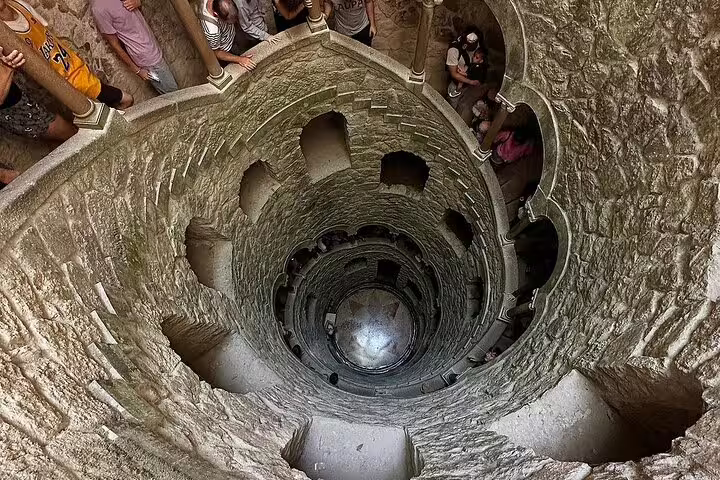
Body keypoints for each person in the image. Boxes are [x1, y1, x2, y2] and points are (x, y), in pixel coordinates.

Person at [0, 0, 133, 109]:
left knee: (111, 107)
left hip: (75, 65)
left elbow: (46, 31)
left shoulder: (19, 5)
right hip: (68, 82)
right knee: (126, 99)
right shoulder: (5, 39)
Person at [90, 0, 178, 95]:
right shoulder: (98, 9)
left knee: (173, 92)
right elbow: (115, 45)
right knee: (174, 94)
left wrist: (138, 2)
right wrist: (138, 70)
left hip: (151, 47)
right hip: (146, 57)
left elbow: (133, 13)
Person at [199, 0, 256, 69]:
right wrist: (240, 59)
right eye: (229, 22)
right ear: (217, 15)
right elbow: (216, 52)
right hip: (228, 48)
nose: (234, 21)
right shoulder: (212, 31)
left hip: (233, 33)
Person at [446, 28, 488, 111]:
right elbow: (454, 73)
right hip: (458, 81)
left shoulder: (479, 45)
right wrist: (471, 82)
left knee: (462, 101)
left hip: (468, 80)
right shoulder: (454, 50)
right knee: (452, 102)